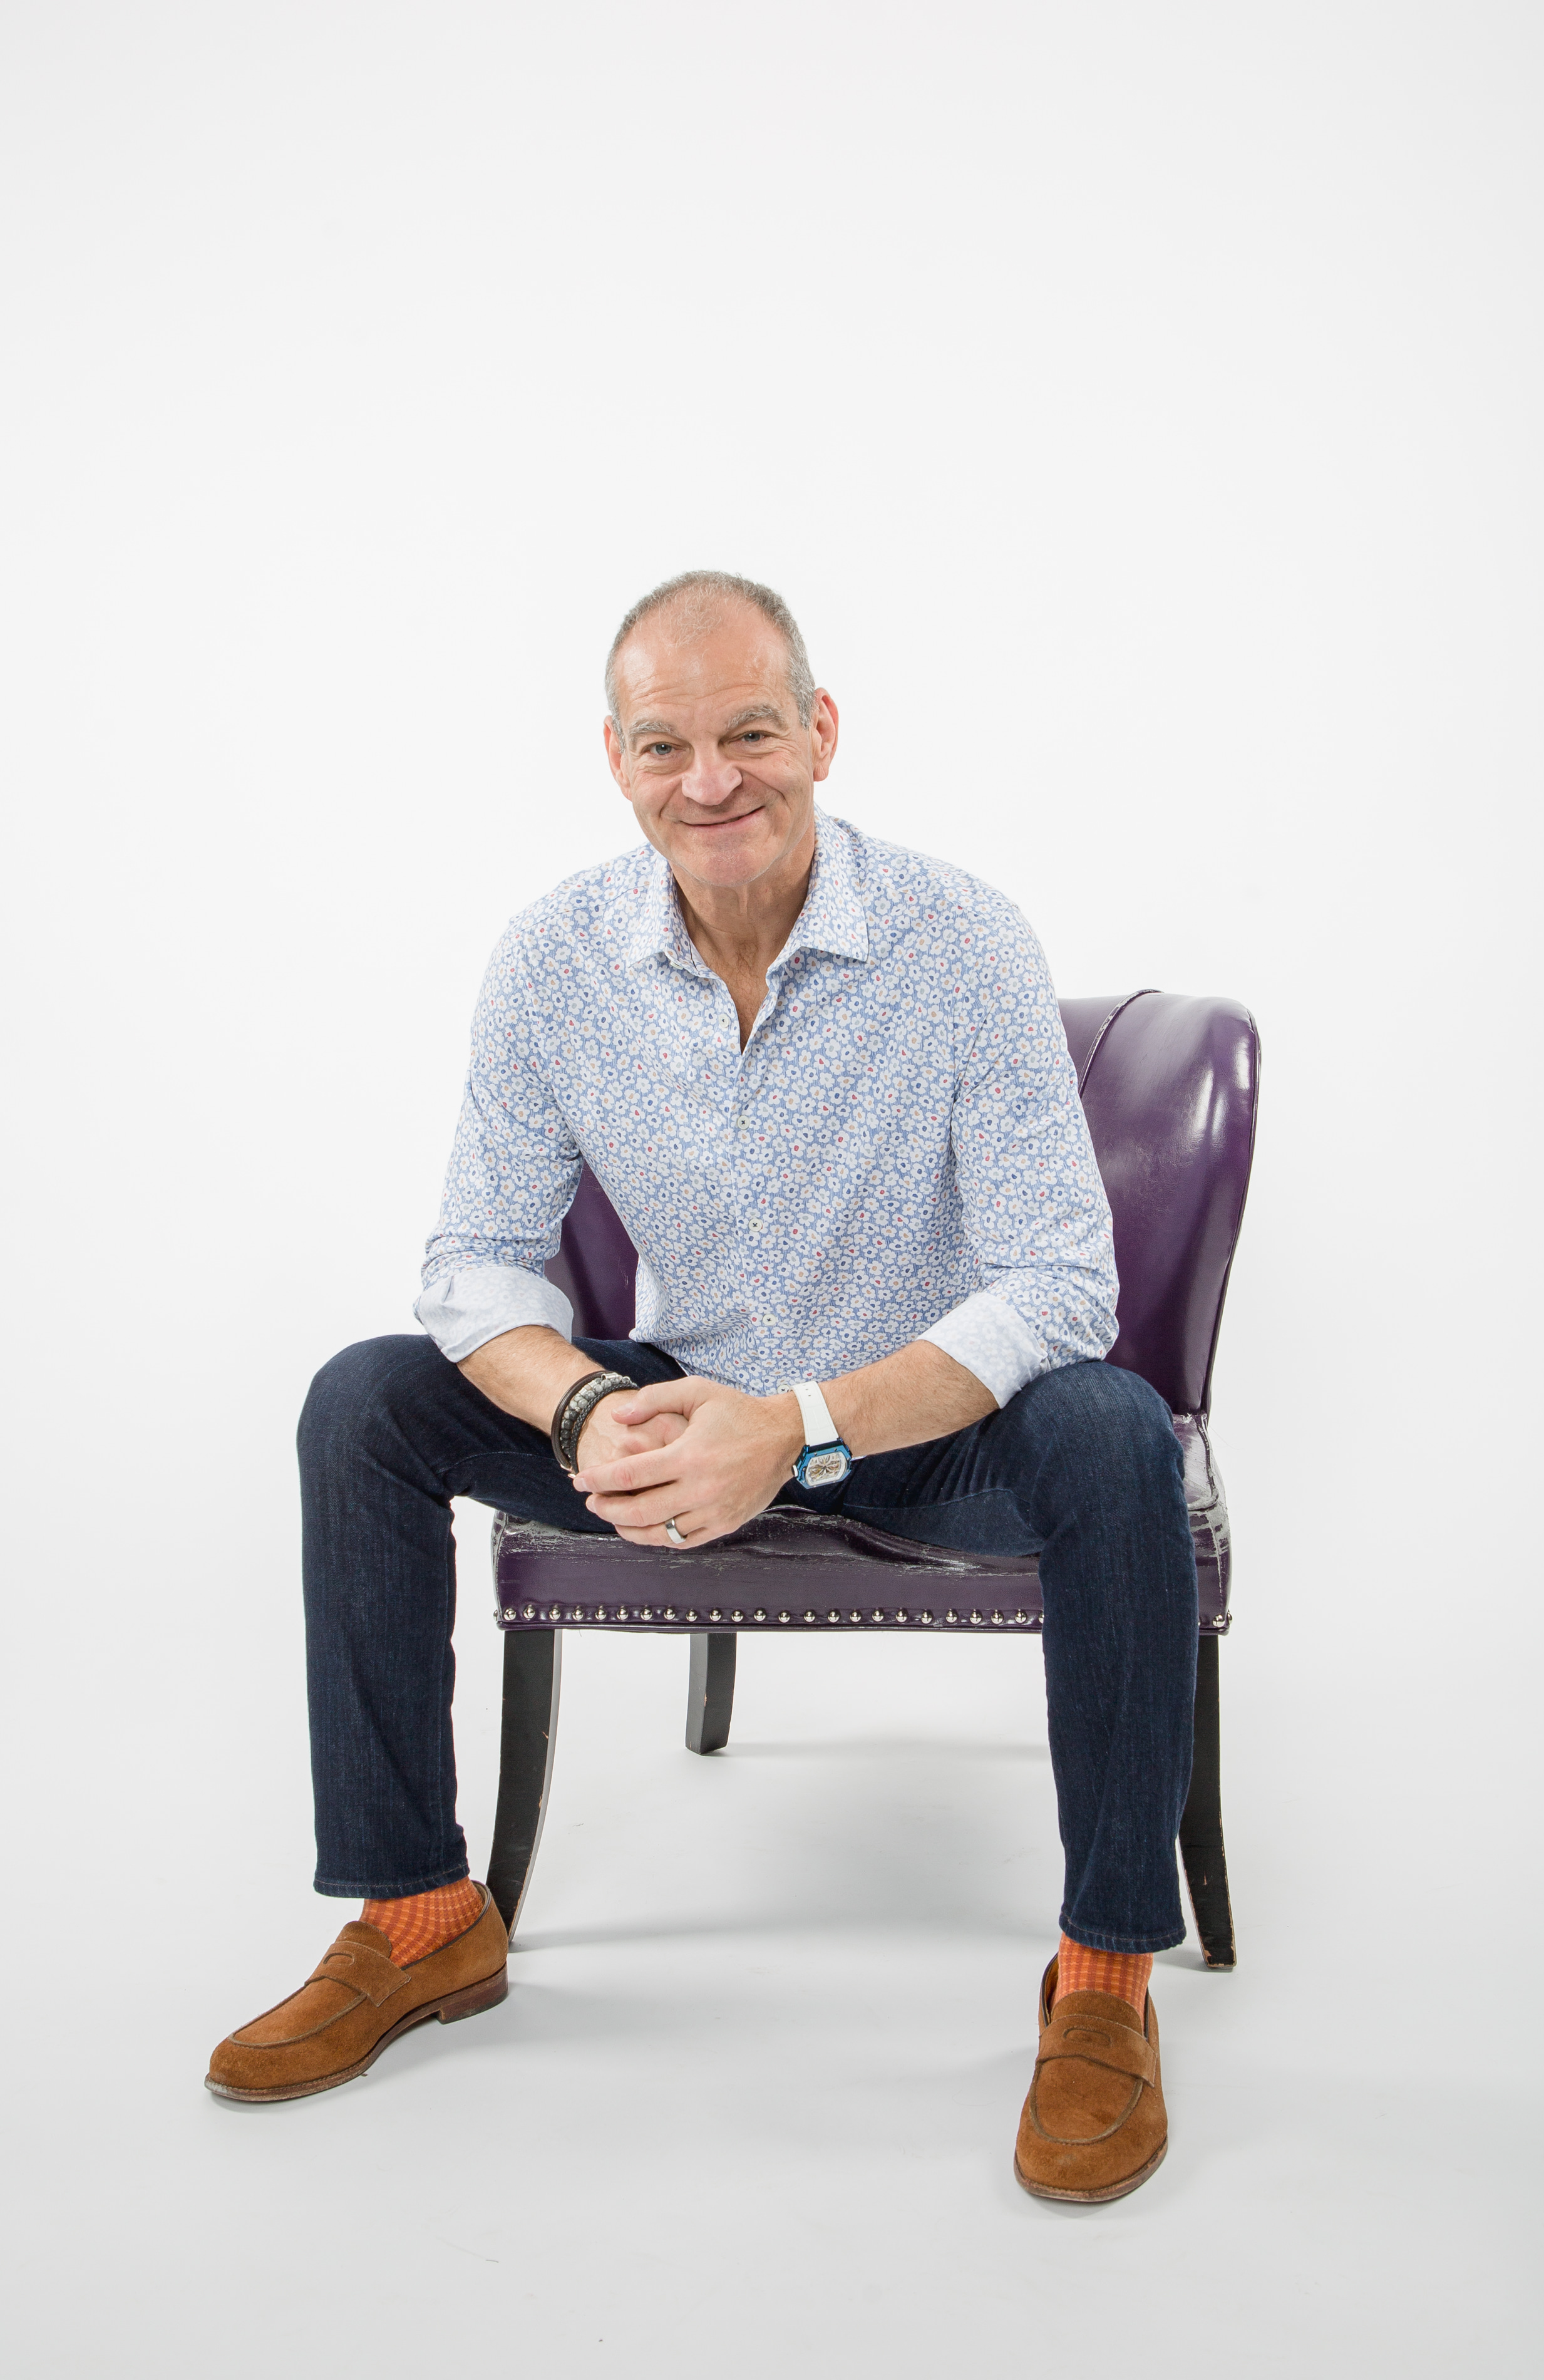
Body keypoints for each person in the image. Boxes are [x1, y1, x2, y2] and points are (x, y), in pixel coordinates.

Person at [207, 571, 1198, 2203]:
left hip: (924, 1418)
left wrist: (797, 1428)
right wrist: (594, 1412)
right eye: (667, 743)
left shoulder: (963, 941)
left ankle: (1103, 1980)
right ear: (617, 759)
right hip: (675, 1401)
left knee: (1109, 1429)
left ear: (819, 730)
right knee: (365, 1403)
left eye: (750, 730)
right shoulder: (555, 961)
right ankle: (419, 1920)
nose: (712, 777)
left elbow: (1062, 1284)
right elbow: (475, 1269)